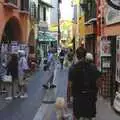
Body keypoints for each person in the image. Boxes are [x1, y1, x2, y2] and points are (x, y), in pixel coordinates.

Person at [67, 48, 101, 120]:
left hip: (77, 97)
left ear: (76, 55)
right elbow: (98, 81)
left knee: (76, 116)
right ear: (85, 55)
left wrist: (69, 100)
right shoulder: (93, 66)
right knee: (89, 116)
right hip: (90, 96)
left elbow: (69, 85)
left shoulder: (73, 68)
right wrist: (95, 93)